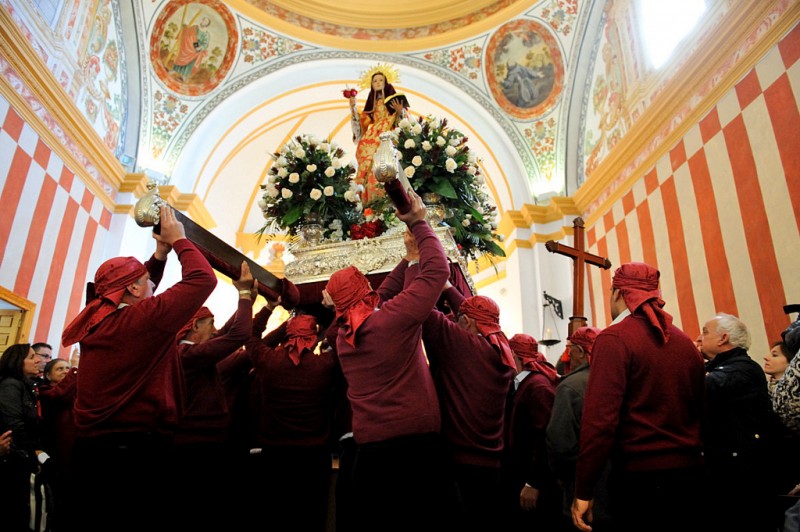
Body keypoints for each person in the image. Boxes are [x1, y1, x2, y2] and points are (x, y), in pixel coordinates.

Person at [61, 205, 217, 531]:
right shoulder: (140, 322)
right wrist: (178, 241)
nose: (152, 289)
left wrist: (158, 258)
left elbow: (142, 294)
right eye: (147, 283)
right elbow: (203, 279)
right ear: (132, 289)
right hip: (132, 458)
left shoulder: (100, 318)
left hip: (91, 454)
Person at [323, 189, 452, 532]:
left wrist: (409, 259)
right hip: (414, 453)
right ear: (365, 292)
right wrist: (420, 224)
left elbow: (387, 295)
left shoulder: (341, 336)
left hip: (370, 456)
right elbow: (437, 271)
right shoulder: (390, 321)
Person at [572, 262, 707, 532]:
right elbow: (701, 411)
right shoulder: (686, 343)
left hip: (640, 481)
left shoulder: (614, 339)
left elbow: (600, 422)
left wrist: (584, 489)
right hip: (690, 476)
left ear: (617, 294)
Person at [409, 226, 515, 532]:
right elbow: (468, 317)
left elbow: (419, 309)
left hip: (455, 467)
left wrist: (416, 260)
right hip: (491, 468)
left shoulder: (461, 345)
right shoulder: (503, 350)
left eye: (459, 319)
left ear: (466, 323)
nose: (454, 321)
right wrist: (448, 289)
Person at [246, 307, 345, 532]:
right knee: (311, 517)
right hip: (313, 457)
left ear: (286, 335)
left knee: (277, 517)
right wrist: (337, 309)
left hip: (274, 454)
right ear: (313, 338)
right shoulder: (324, 366)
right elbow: (341, 341)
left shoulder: (267, 360)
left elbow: (251, 335)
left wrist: (269, 308)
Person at [173, 262, 255, 530]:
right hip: (197, 449)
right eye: (211, 324)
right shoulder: (189, 356)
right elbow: (238, 335)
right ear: (196, 326)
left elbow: (227, 333)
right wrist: (243, 296)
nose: (215, 330)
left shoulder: (187, 353)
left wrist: (255, 304)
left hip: (201, 444)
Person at [700, 313, 793, 532]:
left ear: (723, 338)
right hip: (731, 472)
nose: (699, 337)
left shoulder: (744, 368)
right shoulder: (723, 367)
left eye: (705, 332)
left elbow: (706, 388)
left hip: (743, 478)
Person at [546, 326, 611, 532]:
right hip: (623, 487)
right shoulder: (619, 378)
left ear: (581, 352)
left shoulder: (570, 387)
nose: (567, 356)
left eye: (570, 349)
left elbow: (560, 443)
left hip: (584, 490)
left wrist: (565, 478)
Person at [504, 333, 561, 532]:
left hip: (535, 485)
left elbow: (545, 435)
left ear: (513, 354)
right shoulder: (524, 383)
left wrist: (534, 482)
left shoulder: (537, 387)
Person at [0, 343, 47, 531]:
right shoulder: (10, 385)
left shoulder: (26, 385)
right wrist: (33, 456)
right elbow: (15, 426)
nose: (38, 360)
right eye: (31, 357)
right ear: (17, 362)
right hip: (14, 459)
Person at [349, 69, 408, 205]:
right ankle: (369, 200)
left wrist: (400, 112)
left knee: (387, 164)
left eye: (381, 80)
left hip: (389, 134)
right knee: (369, 165)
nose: (378, 82)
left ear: (386, 82)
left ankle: (388, 198)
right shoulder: (371, 105)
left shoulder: (394, 101)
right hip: (371, 136)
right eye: (375, 81)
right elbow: (360, 126)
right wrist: (353, 108)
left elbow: (405, 124)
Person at [37, 357, 78, 530]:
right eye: (60, 369)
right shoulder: (44, 391)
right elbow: (58, 395)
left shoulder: (75, 388)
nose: (65, 371)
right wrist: (74, 370)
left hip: (78, 445)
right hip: (55, 447)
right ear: (47, 375)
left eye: (67, 368)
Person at [171, 16, 211, 81]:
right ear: (201, 20)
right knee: (181, 57)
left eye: (206, 21)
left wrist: (200, 47)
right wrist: (185, 27)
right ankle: (175, 70)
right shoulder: (195, 27)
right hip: (188, 46)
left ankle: (184, 76)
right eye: (204, 20)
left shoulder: (206, 34)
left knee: (190, 63)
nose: (204, 22)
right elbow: (188, 32)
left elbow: (205, 44)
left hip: (196, 49)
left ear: (207, 24)